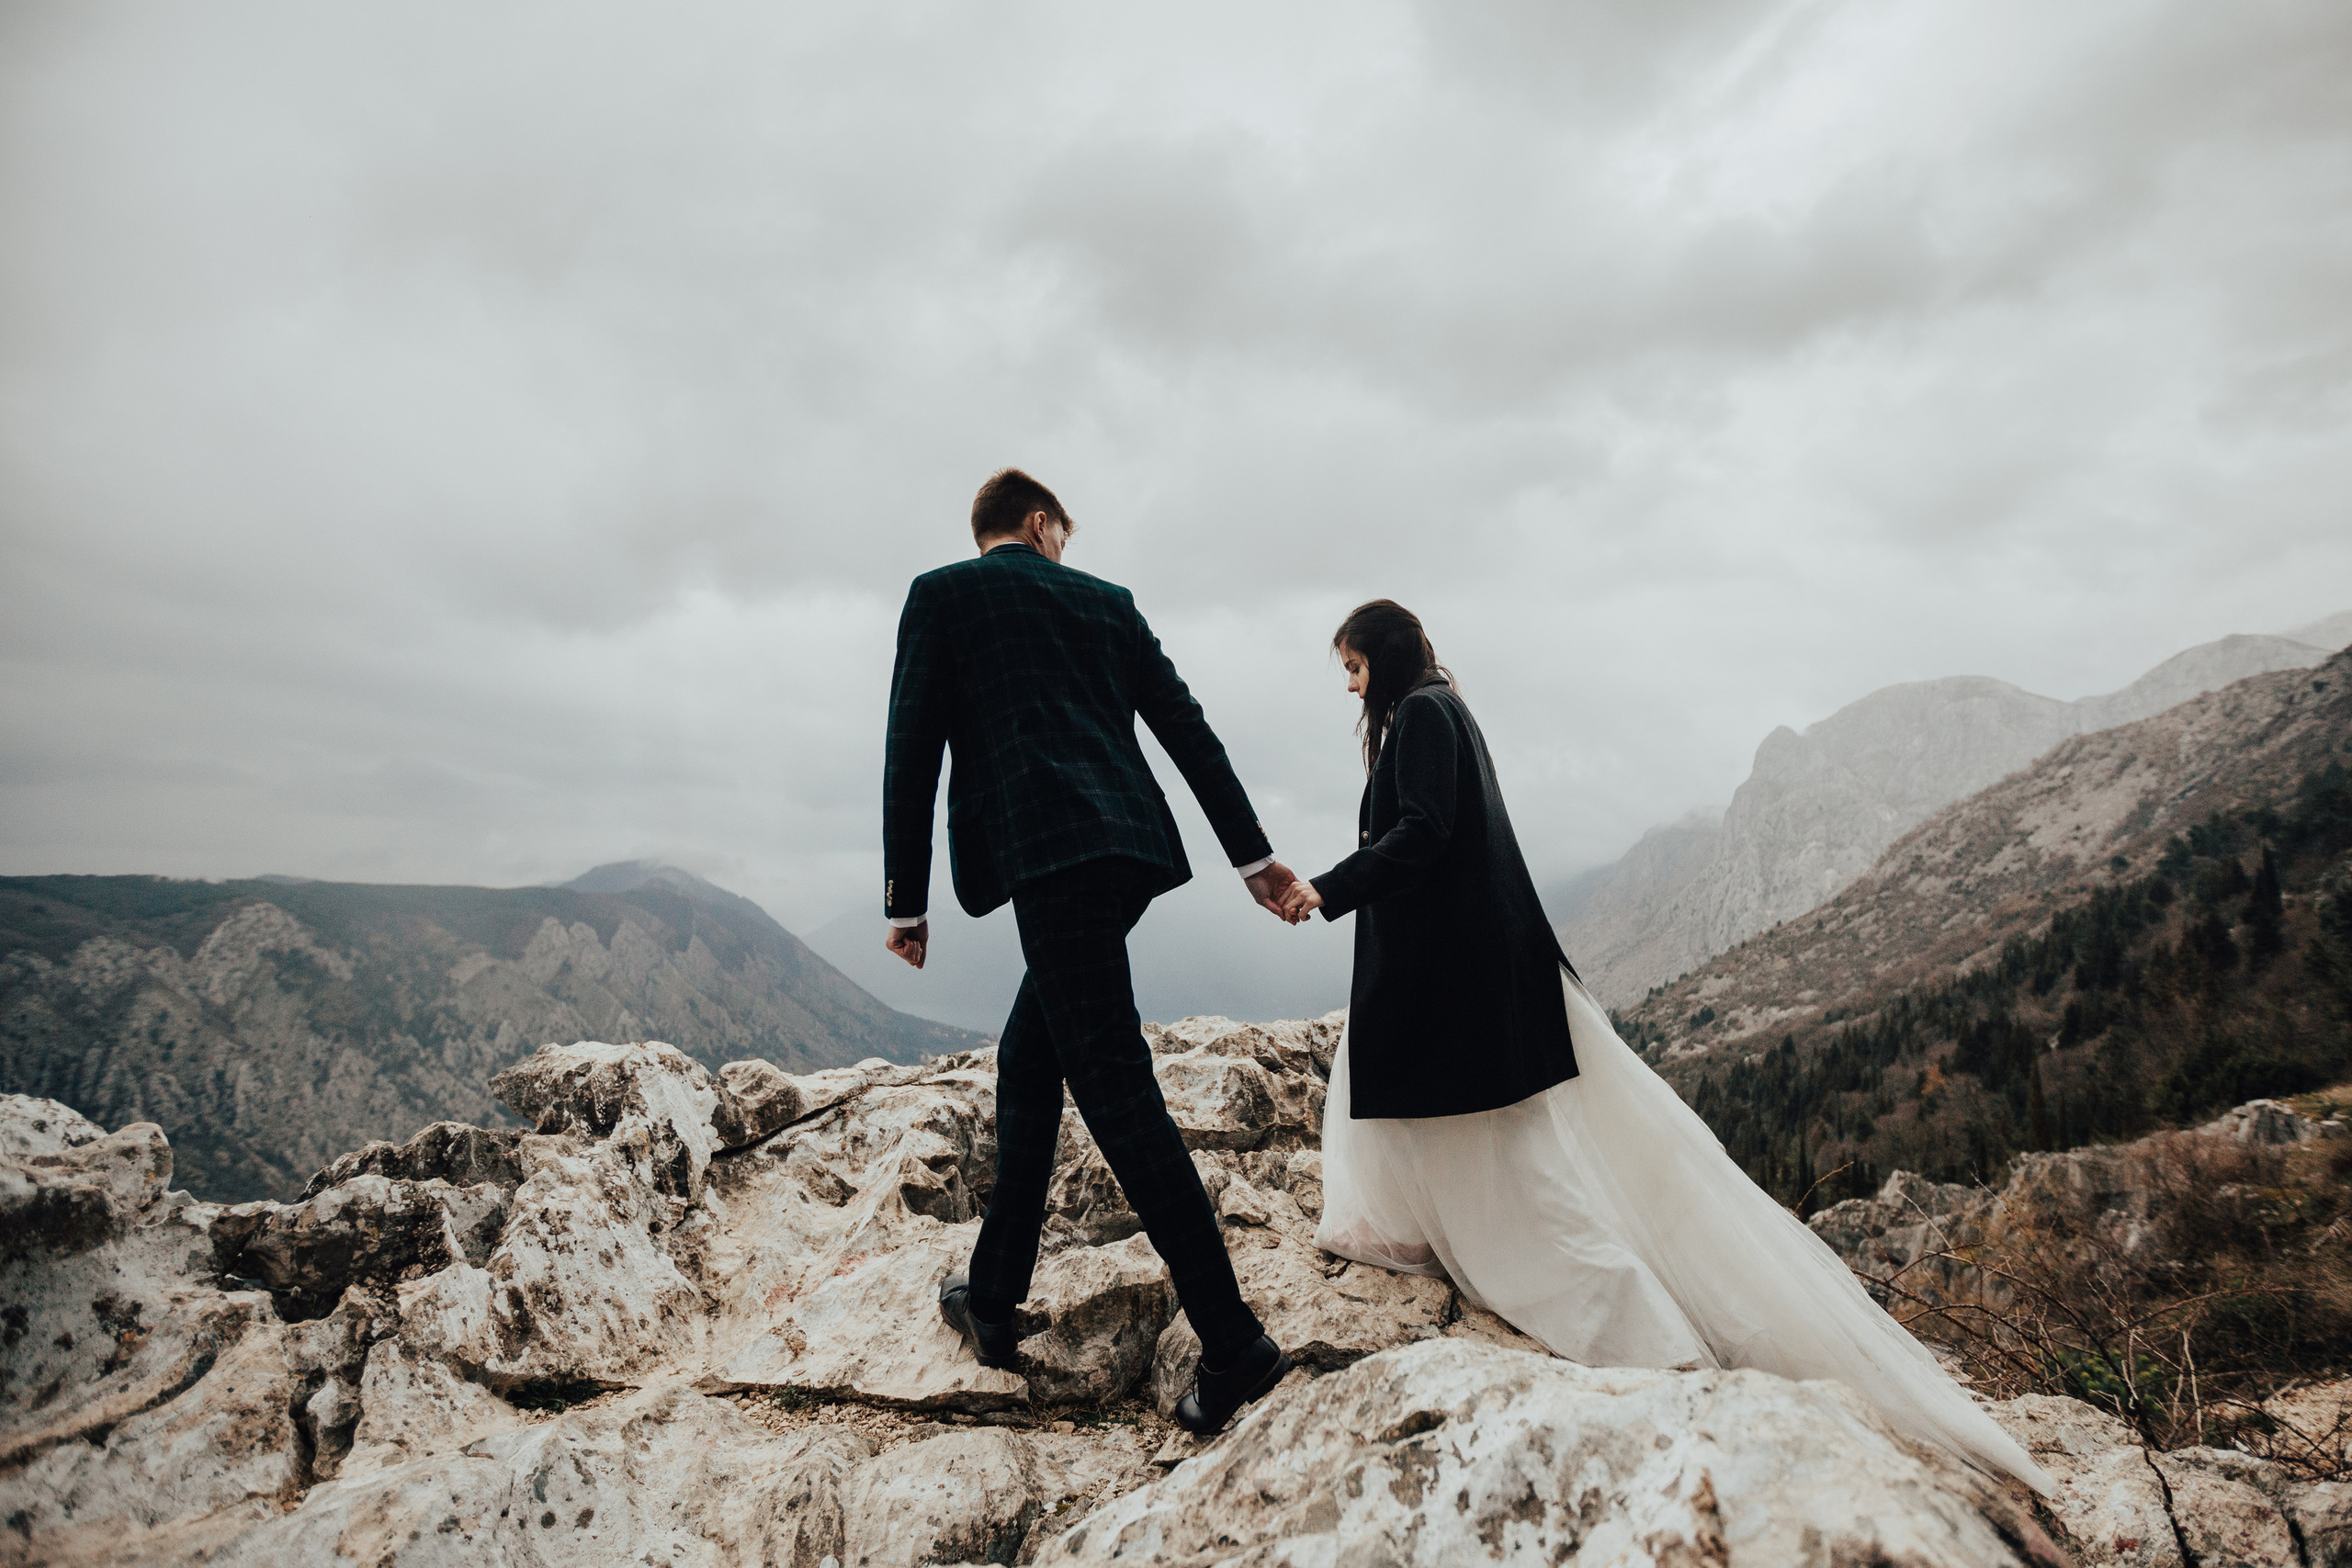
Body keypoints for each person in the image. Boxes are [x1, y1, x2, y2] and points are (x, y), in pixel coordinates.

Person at [1278, 599, 2053, 1493]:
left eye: (1353, 666)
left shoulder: (1418, 714)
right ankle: (1418, 1233)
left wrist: (1325, 889)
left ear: (1382, 657)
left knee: (1526, 1177)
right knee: (1466, 1134)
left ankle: (1653, 1345)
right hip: (1463, 973)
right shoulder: (1442, 707)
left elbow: (1422, 832)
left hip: (1454, 982)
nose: (1348, 685)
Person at [883, 468, 1297, 1435]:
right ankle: (992, 1296)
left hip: (1047, 858)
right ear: (1039, 525)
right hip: (1126, 857)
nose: (1061, 552)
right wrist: (1254, 859)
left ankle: (1235, 1344)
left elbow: (913, 746)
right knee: (1032, 1059)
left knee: (1116, 1090)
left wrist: (907, 900)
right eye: (1060, 537)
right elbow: (1188, 731)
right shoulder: (1106, 603)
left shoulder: (943, 595)